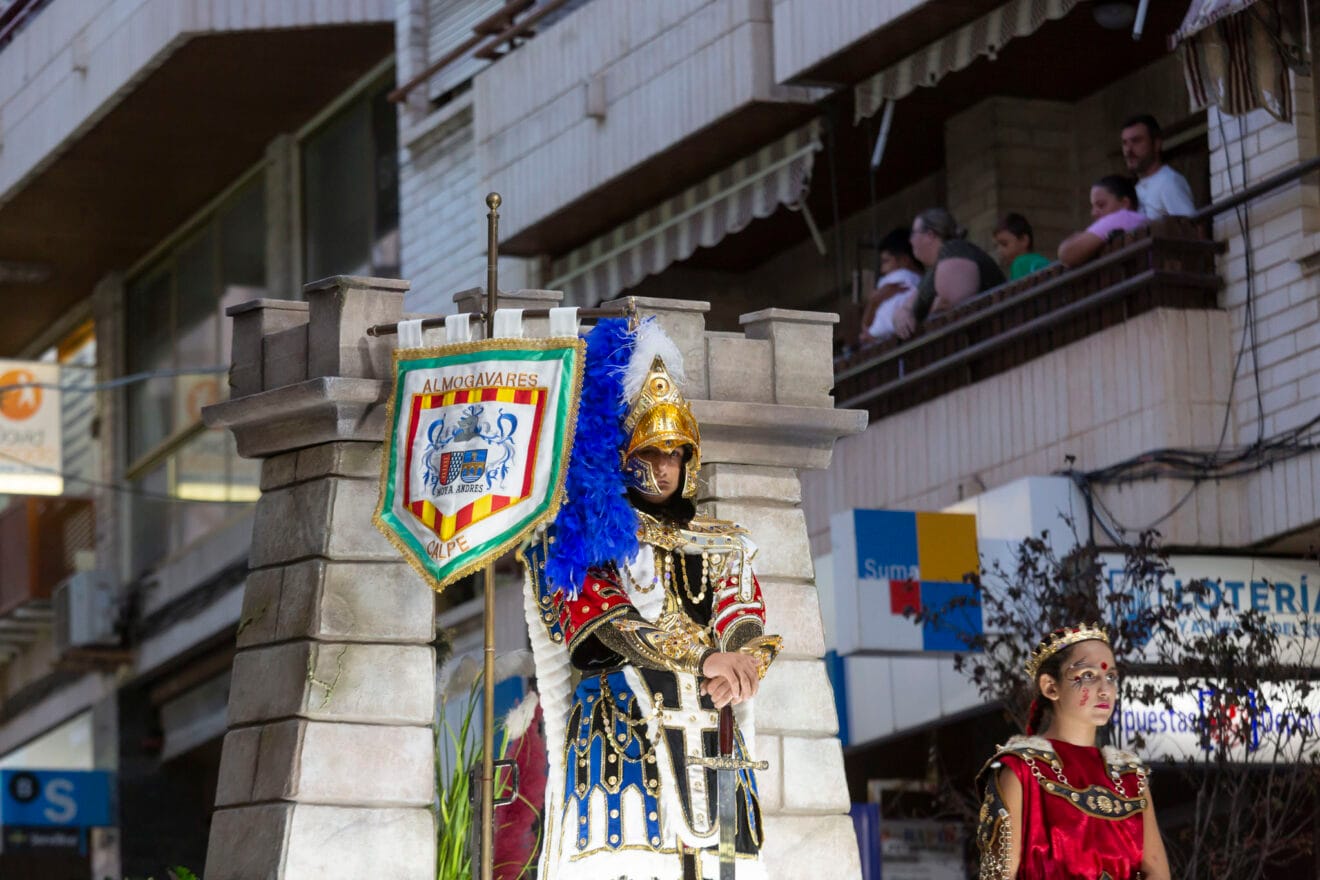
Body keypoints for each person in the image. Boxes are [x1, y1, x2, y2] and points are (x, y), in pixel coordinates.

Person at [521, 319, 781, 880]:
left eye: (676, 453)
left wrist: (743, 662)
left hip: (714, 735)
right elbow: (607, 621)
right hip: (621, 732)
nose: (665, 467)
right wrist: (706, 657)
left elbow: (743, 611)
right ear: (622, 452)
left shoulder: (721, 540)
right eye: (653, 451)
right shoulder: (578, 538)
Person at [975, 623, 1171, 880]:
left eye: (1111, 676)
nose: (1104, 689)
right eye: (1088, 675)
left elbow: (1157, 872)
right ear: (1050, 687)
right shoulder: (1021, 770)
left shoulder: (1129, 777)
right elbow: (998, 876)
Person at [893, 208, 1005, 339]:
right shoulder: (936, 268)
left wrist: (924, 312)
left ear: (930, 235)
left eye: (913, 234)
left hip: (993, 343)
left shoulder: (954, 249)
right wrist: (903, 313)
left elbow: (950, 306)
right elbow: (905, 309)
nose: (910, 241)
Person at [1057, 175, 1149, 268]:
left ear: (1124, 204)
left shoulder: (1124, 217)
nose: (1093, 213)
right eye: (1093, 206)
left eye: (1101, 205)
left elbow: (1067, 253)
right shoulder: (1135, 219)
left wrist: (1083, 236)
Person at [1121, 114, 1196, 220]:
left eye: (1136, 141)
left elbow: (1192, 229)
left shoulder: (1168, 181)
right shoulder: (1134, 191)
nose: (1128, 150)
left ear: (1156, 144)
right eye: (1125, 143)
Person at [859, 227, 924, 345]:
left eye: (886, 261)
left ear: (904, 260)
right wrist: (874, 301)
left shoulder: (901, 278)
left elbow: (866, 329)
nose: (882, 270)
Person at [992, 213, 1052, 280]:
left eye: (1004, 244)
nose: (999, 250)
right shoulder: (1041, 260)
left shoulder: (1019, 263)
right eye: (996, 246)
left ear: (1024, 240)